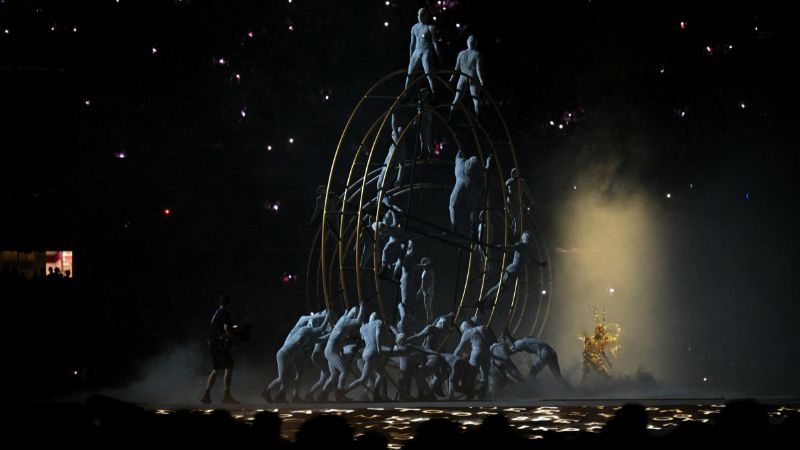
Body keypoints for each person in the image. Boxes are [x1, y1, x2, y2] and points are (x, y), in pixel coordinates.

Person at [201, 294, 239, 404]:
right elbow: (226, 328)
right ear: (228, 304)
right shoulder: (225, 312)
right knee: (229, 366)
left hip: (212, 343)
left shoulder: (216, 312)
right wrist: (234, 339)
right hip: (219, 344)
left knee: (215, 369)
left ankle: (206, 395)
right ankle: (227, 397)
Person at [405, 8, 440, 97]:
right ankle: (405, 95)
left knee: (429, 75)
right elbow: (412, 44)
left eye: (422, 14)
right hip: (416, 52)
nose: (420, 16)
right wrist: (410, 57)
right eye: (418, 14)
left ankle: (435, 95)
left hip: (426, 51)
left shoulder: (431, 27)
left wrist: (439, 55)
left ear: (426, 16)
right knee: (409, 74)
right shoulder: (414, 27)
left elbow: (435, 43)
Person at [449, 35, 485, 118]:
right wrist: (481, 80)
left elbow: (456, 69)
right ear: (475, 44)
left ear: (467, 43)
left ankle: (450, 117)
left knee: (457, 98)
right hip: (473, 77)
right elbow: (478, 69)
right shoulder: (477, 54)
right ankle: (478, 119)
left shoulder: (461, 53)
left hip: (463, 77)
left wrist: (451, 79)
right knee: (475, 99)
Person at [416, 257, 435, 322]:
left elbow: (431, 283)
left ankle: (429, 321)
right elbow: (422, 284)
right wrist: (419, 292)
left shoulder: (430, 272)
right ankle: (428, 321)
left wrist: (428, 291)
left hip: (428, 293)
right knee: (426, 308)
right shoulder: (424, 271)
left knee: (428, 308)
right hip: (425, 292)